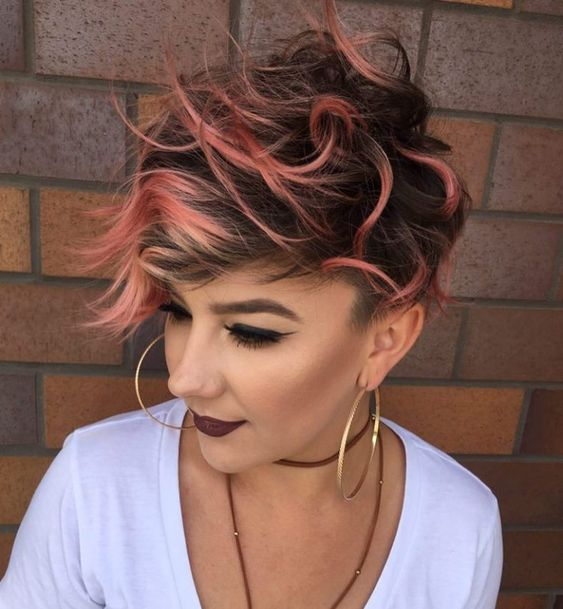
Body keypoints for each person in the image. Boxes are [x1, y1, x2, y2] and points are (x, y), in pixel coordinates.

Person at [0, 0, 503, 607]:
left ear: (385, 340)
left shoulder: (459, 529)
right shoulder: (95, 490)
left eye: (251, 332)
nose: (183, 379)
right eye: (177, 311)